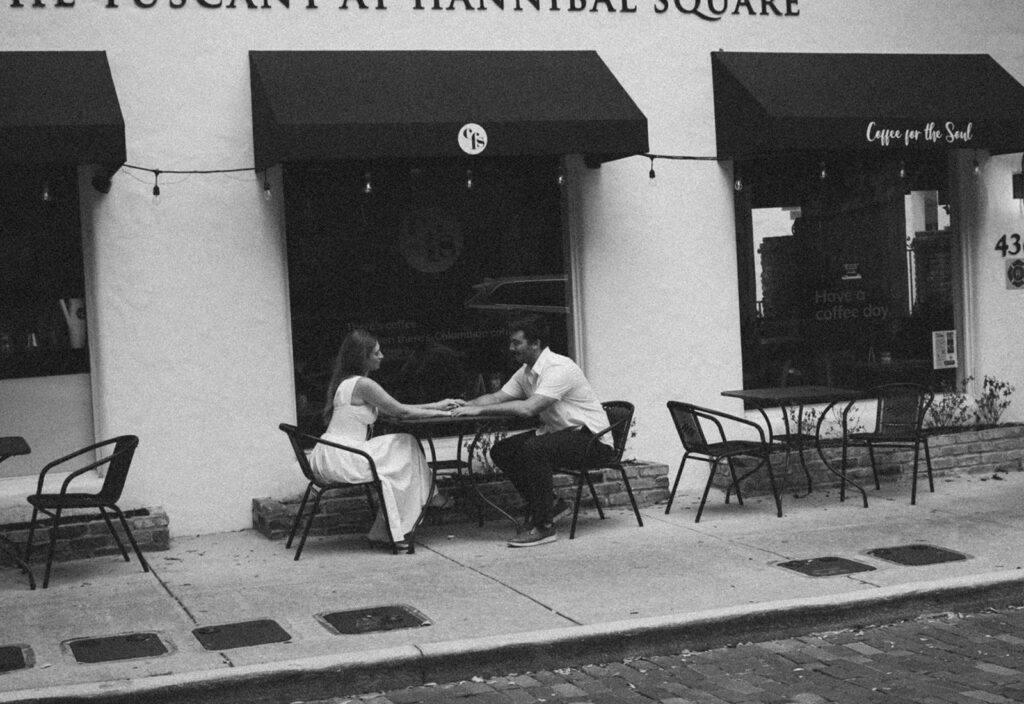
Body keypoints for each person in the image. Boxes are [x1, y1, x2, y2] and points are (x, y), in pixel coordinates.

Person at [452, 314, 613, 547]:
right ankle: (553, 505)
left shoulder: (558, 367)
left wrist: (476, 413)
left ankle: (543, 526)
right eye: (511, 343)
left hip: (591, 440)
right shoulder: (526, 371)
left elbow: (529, 408)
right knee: (503, 450)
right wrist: (465, 405)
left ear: (535, 343)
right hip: (559, 434)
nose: (511, 348)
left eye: (517, 343)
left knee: (535, 449)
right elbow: (498, 397)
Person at [310, 329, 460, 552]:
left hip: (334, 453)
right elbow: (402, 412)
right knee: (404, 455)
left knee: (406, 445)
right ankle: (407, 519)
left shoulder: (346, 383)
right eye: (376, 353)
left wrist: (438, 405)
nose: (382, 357)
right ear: (363, 357)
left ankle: (393, 525)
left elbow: (396, 409)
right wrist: (443, 414)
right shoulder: (363, 385)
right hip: (345, 457)